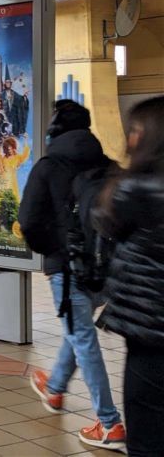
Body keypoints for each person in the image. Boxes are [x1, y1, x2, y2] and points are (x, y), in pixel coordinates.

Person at [19, 99, 125, 451]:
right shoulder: (108, 166)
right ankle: (54, 389)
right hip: (106, 268)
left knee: (82, 337)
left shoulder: (48, 166)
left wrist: (53, 250)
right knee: (77, 330)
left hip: (68, 269)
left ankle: (109, 424)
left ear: (55, 129)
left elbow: (30, 221)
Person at [92, 96, 164, 456]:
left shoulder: (136, 187)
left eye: (135, 131)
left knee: (147, 433)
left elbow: (105, 222)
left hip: (151, 335)